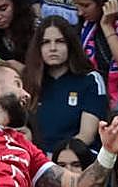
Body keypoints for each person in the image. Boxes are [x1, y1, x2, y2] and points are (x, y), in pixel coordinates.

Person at [23, 15, 107, 152]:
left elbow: (87, 136)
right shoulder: (28, 80)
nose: (53, 48)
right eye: (45, 42)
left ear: (70, 44)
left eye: (60, 41)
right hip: (38, 160)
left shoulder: (90, 80)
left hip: (76, 160)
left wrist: (56, 160)